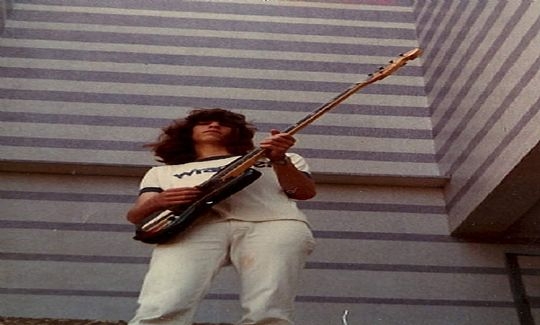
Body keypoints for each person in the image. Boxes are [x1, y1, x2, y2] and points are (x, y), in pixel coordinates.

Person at [126, 108, 317, 325]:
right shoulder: (162, 172)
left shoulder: (276, 157)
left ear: (237, 133)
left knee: (268, 309)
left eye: (222, 124)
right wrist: (158, 201)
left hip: (272, 223)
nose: (214, 126)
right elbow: (136, 215)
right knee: (163, 303)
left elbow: (304, 192)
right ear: (188, 132)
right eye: (205, 123)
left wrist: (280, 160)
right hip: (192, 228)